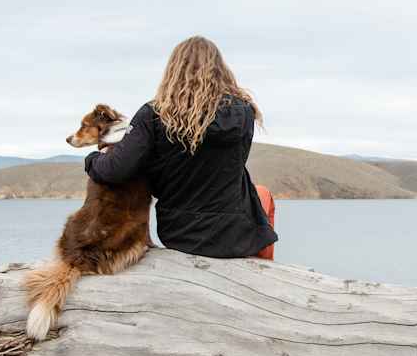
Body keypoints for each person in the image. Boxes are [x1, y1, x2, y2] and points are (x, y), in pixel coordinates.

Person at [84, 36, 278, 259]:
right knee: (262, 194)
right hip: (235, 234)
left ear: (173, 71)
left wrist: (92, 159)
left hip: (181, 234)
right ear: (220, 71)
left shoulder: (153, 114)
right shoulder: (244, 112)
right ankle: (264, 262)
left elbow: (114, 170)